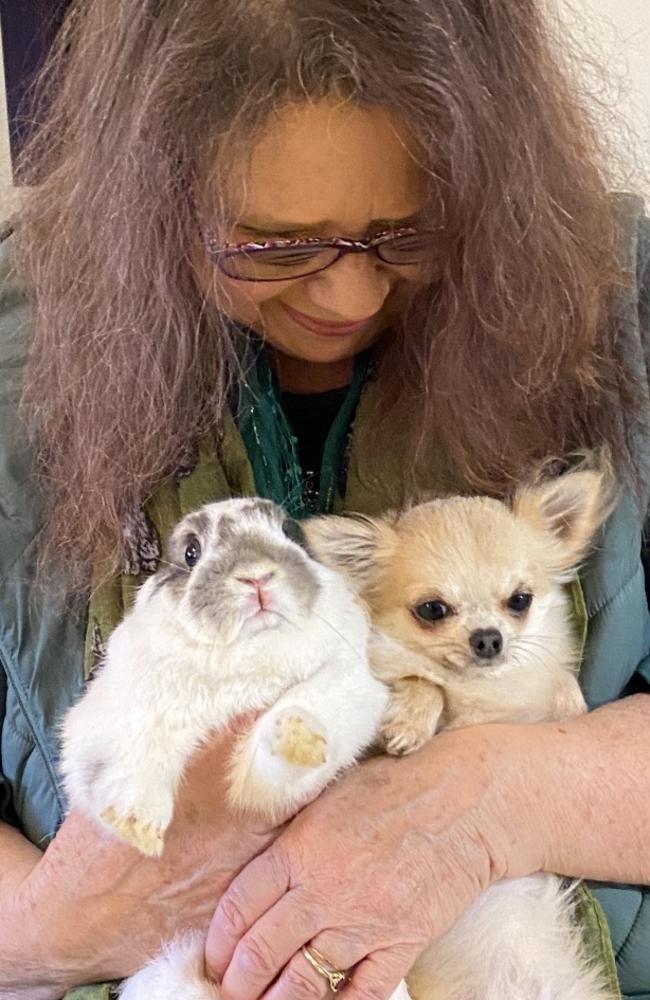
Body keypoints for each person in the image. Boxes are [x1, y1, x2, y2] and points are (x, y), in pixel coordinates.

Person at [0, 2, 648, 999]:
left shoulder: (622, 300)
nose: (346, 298)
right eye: (269, 245)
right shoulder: (19, 355)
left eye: (407, 233)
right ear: (148, 203)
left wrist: (503, 797)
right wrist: (55, 923)